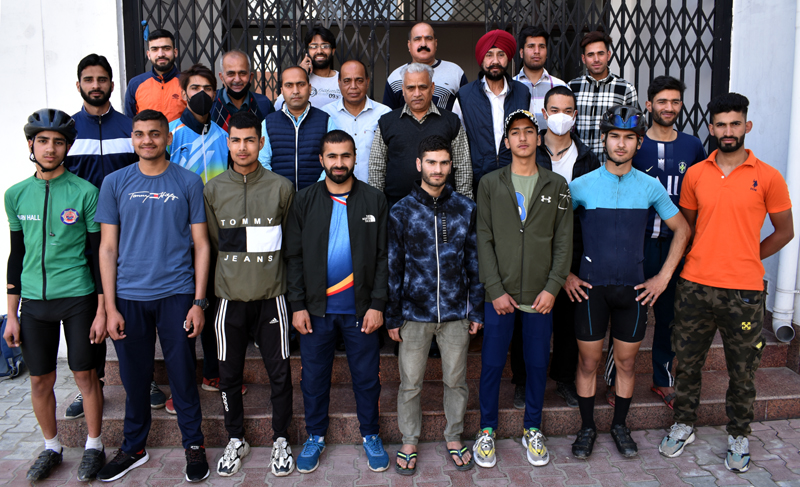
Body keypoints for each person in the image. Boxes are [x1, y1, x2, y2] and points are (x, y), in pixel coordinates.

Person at [659, 93, 793, 473]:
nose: (728, 131)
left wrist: (749, 255)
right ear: (711, 128)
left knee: (742, 369)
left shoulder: (768, 176)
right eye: (721, 124)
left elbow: (785, 231)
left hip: (744, 291)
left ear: (746, 126)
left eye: (735, 123)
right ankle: (684, 424)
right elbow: (686, 228)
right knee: (687, 363)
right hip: (695, 285)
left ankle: (738, 435)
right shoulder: (696, 174)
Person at [95, 110, 210, 482]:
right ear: (132, 138)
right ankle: (134, 447)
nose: (147, 140)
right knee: (134, 379)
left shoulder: (189, 181)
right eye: (140, 134)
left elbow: (201, 244)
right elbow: (107, 248)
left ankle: (194, 445)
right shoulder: (114, 182)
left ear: (168, 138)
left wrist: (198, 302)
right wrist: (109, 306)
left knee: (182, 376)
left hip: (177, 293)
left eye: (155, 133)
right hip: (128, 297)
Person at [568, 106, 690, 460]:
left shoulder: (650, 186)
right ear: (603, 139)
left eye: (629, 138)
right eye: (614, 136)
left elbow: (683, 230)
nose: (621, 144)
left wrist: (663, 278)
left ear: (639, 143)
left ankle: (620, 425)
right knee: (588, 363)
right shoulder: (580, 185)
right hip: (591, 290)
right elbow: (552, 233)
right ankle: (587, 427)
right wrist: (565, 276)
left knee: (625, 364)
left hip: (633, 291)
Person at [4, 109, 106, 482]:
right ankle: (51, 447)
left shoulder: (85, 192)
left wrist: (102, 310)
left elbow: (97, 255)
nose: (50, 148)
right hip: (33, 302)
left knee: (85, 375)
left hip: (78, 296)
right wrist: (11, 314)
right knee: (39, 380)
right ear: (31, 144)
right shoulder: (15, 195)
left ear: (67, 147)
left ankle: (94, 445)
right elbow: (16, 256)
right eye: (43, 141)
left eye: (58, 142)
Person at [284, 130, 390, 474]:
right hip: (316, 311)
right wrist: (297, 305)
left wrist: (378, 304)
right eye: (332, 156)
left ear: (355, 158)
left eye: (345, 155)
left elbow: (384, 256)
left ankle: (371, 434)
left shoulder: (374, 200)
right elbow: (293, 257)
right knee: (313, 379)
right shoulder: (304, 200)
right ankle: (315, 436)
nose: (339, 163)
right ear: (321, 160)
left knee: (367, 378)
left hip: (361, 311)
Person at [473, 110, 572, 468]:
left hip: (539, 294)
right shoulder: (490, 183)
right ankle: (486, 430)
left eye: (529, 131)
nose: (523, 138)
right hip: (498, 294)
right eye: (515, 132)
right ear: (506, 141)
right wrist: (494, 288)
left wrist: (553, 287)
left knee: (536, 362)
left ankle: (532, 428)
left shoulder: (557, 185)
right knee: (491, 363)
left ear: (538, 138)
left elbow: (563, 242)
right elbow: (483, 239)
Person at [601, 76, 707, 409]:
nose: (668, 107)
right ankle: (613, 380)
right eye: (662, 101)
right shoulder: (635, 144)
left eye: (675, 101)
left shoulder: (693, 146)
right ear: (649, 105)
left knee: (670, 316)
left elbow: (701, 192)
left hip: (676, 245)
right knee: (624, 312)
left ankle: (663, 379)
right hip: (636, 244)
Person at [203, 112, 295, 477]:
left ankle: (281, 438)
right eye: (236, 140)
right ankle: (235, 438)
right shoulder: (212, 190)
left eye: (250, 140)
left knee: (280, 373)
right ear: (228, 144)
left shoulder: (281, 188)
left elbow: (288, 242)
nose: (243, 147)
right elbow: (214, 243)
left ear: (261, 143)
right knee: (228, 375)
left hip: (273, 297)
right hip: (229, 299)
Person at [387, 135, 484, 475]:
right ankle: (409, 440)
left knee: (456, 381)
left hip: (456, 312)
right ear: (419, 164)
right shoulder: (401, 211)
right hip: (414, 313)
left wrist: (476, 309)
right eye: (431, 162)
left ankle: (454, 436)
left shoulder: (465, 208)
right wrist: (393, 315)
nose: (437, 169)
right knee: (410, 382)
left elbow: (474, 262)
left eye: (443, 162)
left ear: (451, 166)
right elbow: (393, 266)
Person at [62, 53, 141, 421]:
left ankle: (143, 379)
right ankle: (91, 385)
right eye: (89, 79)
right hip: (81, 238)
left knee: (130, 307)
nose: (95, 85)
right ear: (79, 84)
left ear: (112, 83)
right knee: (86, 312)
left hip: (128, 233)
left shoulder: (129, 128)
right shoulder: (67, 131)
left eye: (101, 79)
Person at [533, 86, 600, 409]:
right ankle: (524, 382)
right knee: (530, 323)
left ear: (575, 115)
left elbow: (592, 213)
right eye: (555, 110)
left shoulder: (588, 158)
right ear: (544, 114)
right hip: (532, 251)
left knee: (569, 320)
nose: (561, 116)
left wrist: (573, 267)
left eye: (568, 110)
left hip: (574, 250)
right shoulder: (528, 152)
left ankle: (563, 379)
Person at [369, 63, 472, 207]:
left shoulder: (451, 121)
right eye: (411, 88)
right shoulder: (387, 122)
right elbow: (376, 168)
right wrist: (376, 207)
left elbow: (463, 168)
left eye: (422, 87)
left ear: (432, 88)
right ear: (403, 90)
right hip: (396, 209)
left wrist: (464, 206)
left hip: (443, 208)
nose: (417, 93)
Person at [452, 29, 531, 193]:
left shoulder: (523, 93)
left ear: (508, 58)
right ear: (482, 58)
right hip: (478, 181)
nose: (495, 61)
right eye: (489, 55)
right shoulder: (465, 96)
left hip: (516, 178)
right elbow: (457, 144)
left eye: (501, 55)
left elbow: (530, 136)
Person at [258, 66, 337, 190]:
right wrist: (279, 191)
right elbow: (263, 163)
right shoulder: (268, 122)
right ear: (282, 90)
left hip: (317, 195)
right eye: (289, 85)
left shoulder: (326, 121)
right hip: (279, 196)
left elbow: (333, 159)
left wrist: (317, 190)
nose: (295, 91)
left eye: (301, 84)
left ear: (309, 88)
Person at [568, 30, 638, 163]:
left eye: (600, 53)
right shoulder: (572, 87)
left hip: (612, 164)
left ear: (608, 55)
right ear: (583, 58)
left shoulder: (625, 89)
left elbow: (633, 130)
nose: (596, 59)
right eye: (590, 55)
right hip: (578, 164)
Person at [322, 60, 391, 182]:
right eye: (347, 81)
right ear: (339, 83)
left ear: (367, 82)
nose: (353, 86)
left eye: (359, 80)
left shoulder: (384, 114)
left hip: (373, 189)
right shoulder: (326, 114)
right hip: (336, 188)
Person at [382, 22, 467, 111]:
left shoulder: (455, 72)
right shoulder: (395, 77)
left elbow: (466, 111)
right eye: (417, 39)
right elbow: (389, 116)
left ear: (435, 43)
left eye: (428, 39)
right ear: (409, 45)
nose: (423, 44)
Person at [168, 63, 229, 183]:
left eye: (207, 89)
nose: (202, 93)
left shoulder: (224, 137)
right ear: (184, 94)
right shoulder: (169, 134)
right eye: (195, 88)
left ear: (214, 95)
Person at [513, 26, 567, 129]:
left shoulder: (560, 87)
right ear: (521, 53)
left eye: (542, 46)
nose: (537, 51)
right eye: (531, 46)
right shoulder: (510, 86)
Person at [124, 29, 185, 121]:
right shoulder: (135, 84)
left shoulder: (187, 82)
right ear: (148, 54)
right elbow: (129, 122)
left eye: (166, 48)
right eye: (155, 49)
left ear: (175, 52)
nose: (161, 54)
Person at [275, 26, 342, 110]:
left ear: (333, 51)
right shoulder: (302, 79)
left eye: (325, 46)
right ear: (307, 51)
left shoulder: (342, 80)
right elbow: (279, 105)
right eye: (314, 47)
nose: (319, 51)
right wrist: (300, 72)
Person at [211, 49, 275, 131]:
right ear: (221, 77)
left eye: (242, 73)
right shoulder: (211, 104)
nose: (237, 79)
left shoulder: (264, 105)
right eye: (231, 74)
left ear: (251, 77)